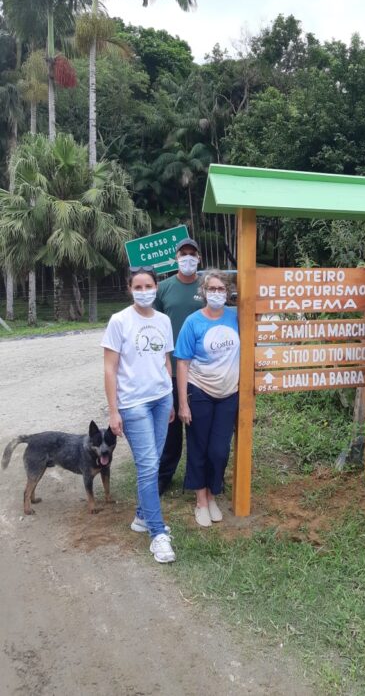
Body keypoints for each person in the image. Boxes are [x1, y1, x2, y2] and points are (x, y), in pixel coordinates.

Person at [102, 266, 176, 564]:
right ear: (130, 289)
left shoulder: (164, 320)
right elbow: (109, 368)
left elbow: (165, 359)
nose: (144, 291)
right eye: (138, 286)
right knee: (147, 466)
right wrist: (113, 410)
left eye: (149, 286)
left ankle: (142, 517)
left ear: (156, 287)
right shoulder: (119, 321)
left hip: (161, 398)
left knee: (154, 462)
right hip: (133, 404)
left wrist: (170, 398)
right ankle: (158, 534)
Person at [174, 270, 240, 528]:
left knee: (219, 450)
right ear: (203, 292)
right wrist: (183, 403)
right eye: (211, 289)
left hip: (228, 393)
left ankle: (213, 494)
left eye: (220, 289)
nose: (216, 293)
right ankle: (201, 500)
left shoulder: (236, 317)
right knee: (199, 447)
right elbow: (182, 363)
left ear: (228, 292)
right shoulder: (193, 322)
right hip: (199, 391)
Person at [154, 237, 202, 495]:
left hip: (201, 371)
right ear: (176, 258)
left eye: (191, 254)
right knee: (171, 429)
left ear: (199, 259)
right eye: (183, 254)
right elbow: (153, 324)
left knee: (197, 427)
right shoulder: (163, 289)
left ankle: (197, 477)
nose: (187, 258)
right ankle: (164, 476)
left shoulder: (207, 288)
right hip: (170, 368)